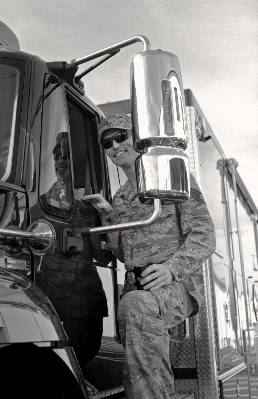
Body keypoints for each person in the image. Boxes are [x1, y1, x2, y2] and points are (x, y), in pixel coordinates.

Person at [83, 114, 216, 398]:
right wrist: (108, 215)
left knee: (136, 307)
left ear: (139, 139)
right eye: (108, 143)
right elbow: (121, 253)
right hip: (139, 289)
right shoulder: (120, 197)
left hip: (175, 286)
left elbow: (204, 235)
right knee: (138, 364)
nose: (115, 145)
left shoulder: (172, 176)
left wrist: (171, 269)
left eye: (122, 137)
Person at [32, 132, 113, 368]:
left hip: (84, 302)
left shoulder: (90, 206)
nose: (59, 161)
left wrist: (95, 219)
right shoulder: (38, 206)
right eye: (56, 156)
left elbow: (104, 257)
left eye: (65, 156)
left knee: (82, 355)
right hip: (48, 299)